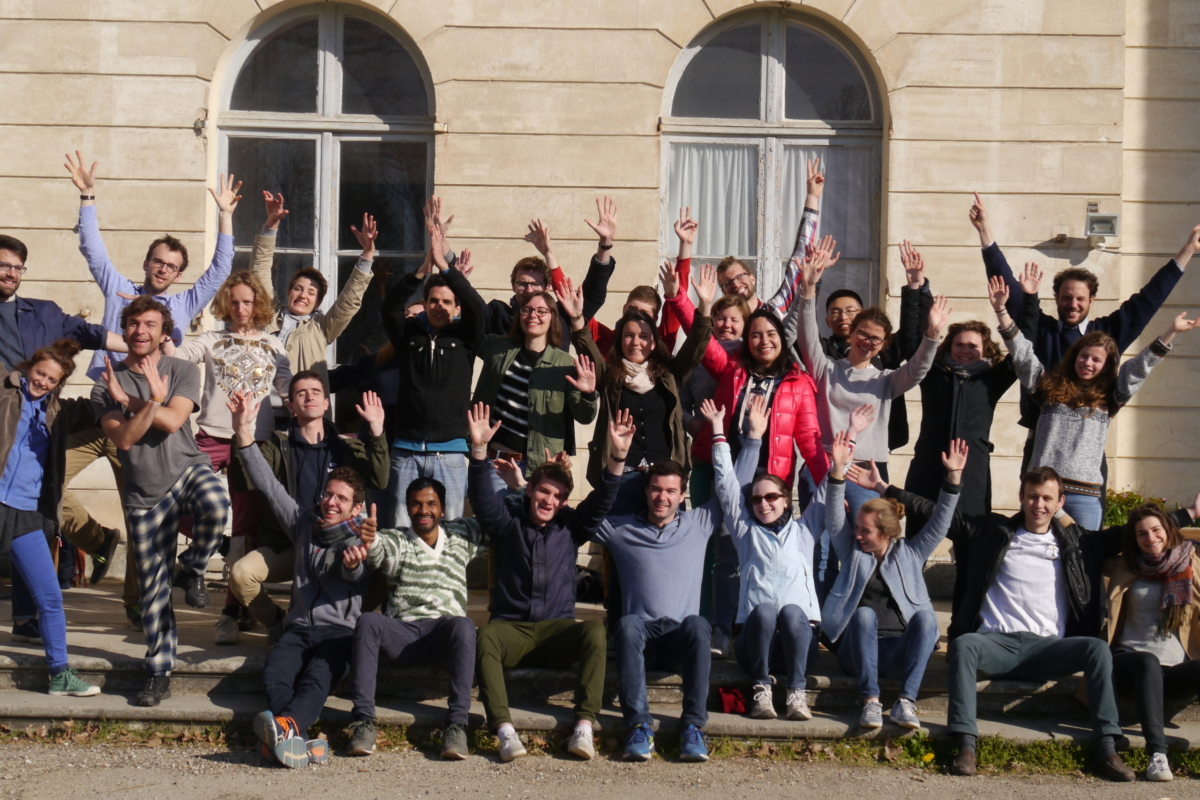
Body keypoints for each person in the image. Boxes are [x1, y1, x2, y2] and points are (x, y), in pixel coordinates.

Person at [847, 464, 1161, 781]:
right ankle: (966, 745)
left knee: (1097, 649)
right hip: (996, 645)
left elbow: (1138, 531)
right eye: (1033, 496)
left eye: (1047, 498)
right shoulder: (991, 532)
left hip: (1048, 649)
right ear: (1021, 497)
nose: (1039, 504)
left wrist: (1184, 515)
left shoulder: (1079, 543)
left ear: (1060, 502)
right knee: (964, 645)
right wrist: (885, 489)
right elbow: (938, 515)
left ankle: (1107, 748)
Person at [63, 152, 239, 630]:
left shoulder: (184, 304)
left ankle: (138, 605)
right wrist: (87, 196)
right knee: (42, 479)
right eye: (158, 261)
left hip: (146, 425)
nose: (163, 269)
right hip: (102, 410)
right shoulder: (117, 288)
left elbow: (219, 270)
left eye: (172, 266)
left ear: (178, 274)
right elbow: (93, 250)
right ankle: (96, 540)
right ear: (146, 262)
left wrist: (225, 216)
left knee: (141, 514)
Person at [971, 192, 1195, 459]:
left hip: (1088, 448)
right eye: (1066, 298)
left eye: (1080, 299)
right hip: (1041, 443)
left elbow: (1149, 299)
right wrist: (984, 230)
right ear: (1056, 299)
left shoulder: (1107, 335)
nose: (1073, 304)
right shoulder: (1040, 329)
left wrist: (1188, 251)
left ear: (1091, 300)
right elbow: (1007, 287)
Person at [467, 402, 629, 763]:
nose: (549, 500)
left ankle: (583, 726)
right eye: (544, 492)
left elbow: (601, 502)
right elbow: (482, 499)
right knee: (486, 636)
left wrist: (617, 459)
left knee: (595, 632)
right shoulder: (507, 524)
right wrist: (479, 451)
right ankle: (504, 731)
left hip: (557, 631)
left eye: (557, 496)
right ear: (529, 490)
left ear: (564, 502)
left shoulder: (571, 527)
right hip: (512, 630)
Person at [787, 240, 950, 593]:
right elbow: (806, 334)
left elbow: (918, 369)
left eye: (876, 339)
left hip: (868, 472)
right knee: (819, 549)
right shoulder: (826, 369)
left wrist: (933, 335)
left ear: (883, 343)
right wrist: (809, 287)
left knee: (869, 546)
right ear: (852, 332)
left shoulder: (887, 380)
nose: (868, 341)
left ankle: (865, 609)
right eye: (863, 333)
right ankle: (818, 613)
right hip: (823, 467)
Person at [92, 296, 229, 706]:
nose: (140, 331)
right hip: (144, 492)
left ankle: (193, 566)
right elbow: (125, 439)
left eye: (150, 324)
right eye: (134, 324)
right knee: (153, 592)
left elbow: (172, 421)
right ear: (125, 329)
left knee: (216, 505)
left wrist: (134, 401)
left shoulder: (182, 369)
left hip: (186, 468)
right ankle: (159, 672)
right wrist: (152, 400)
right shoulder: (104, 383)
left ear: (163, 332)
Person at [989, 271, 1198, 530]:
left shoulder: (1111, 395)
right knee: (1037, 549)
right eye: (1084, 356)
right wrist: (1001, 311)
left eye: (1096, 360)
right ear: (1075, 356)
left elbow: (1140, 367)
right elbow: (1022, 354)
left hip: (1084, 496)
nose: (1088, 363)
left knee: (1085, 552)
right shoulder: (1048, 387)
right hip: (1043, 491)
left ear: (1106, 365)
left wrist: (1171, 332)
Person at [231, 391, 371, 768]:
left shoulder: (362, 538)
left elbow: (355, 574)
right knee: (276, 675)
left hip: (338, 633)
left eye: (341, 499)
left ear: (356, 508)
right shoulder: (304, 524)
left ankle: (284, 731)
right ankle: (294, 737)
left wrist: (354, 565)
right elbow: (269, 485)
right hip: (297, 628)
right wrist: (242, 431)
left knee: (316, 681)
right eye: (328, 494)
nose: (331, 502)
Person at [0, 232, 125, 640]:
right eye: (4, 265)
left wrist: (142, 346)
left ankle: (26, 617)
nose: (10, 273)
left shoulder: (43, 313)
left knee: (35, 518)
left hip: (36, 431)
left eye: (17, 267)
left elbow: (89, 334)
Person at [702, 396, 847, 721]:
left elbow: (828, 491)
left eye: (771, 497)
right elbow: (727, 486)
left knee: (794, 612)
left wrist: (841, 460)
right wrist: (719, 431)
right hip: (754, 646)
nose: (763, 504)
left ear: (785, 500)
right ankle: (761, 689)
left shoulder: (804, 530)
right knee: (766, 611)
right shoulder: (745, 532)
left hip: (799, 645)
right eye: (756, 499)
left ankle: (797, 692)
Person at [169, 270, 291, 644]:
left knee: (245, 533)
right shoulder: (211, 339)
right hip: (211, 435)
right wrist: (158, 324)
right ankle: (218, 544)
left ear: (258, 304)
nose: (240, 309)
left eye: (247, 302)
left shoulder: (274, 345)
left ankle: (231, 613)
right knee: (171, 505)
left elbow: (289, 388)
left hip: (255, 442)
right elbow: (175, 356)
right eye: (234, 302)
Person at [227, 371, 389, 643]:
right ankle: (277, 622)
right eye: (301, 393)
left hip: (337, 547)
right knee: (241, 573)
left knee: (387, 567)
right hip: (289, 544)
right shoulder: (277, 446)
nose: (309, 397)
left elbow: (379, 479)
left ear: (326, 403)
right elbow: (248, 481)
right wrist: (240, 431)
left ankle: (347, 619)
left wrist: (376, 430)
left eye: (316, 392)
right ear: (291, 406)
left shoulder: (346, 447)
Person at [825, 426, 966, 730]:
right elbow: (834, 517)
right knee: (863, 615)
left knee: (926, 619)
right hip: (857, 651)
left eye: (865, 530)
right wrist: (838, 470)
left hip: (897, 651)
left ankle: (906, 702)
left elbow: (940, 522)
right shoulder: (851, 552)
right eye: (857, 528)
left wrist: (953, 478)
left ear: (886, 532)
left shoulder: (910, 553)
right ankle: (870, 701)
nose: (857, 534)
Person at [592, 457, 724, 763]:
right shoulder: (622, 529)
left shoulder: (699, 523)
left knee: (698, 624)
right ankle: (639, 726)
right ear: (646, 491)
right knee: (627, 624)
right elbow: (583, 520)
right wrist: (616, 465)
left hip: (680, 639)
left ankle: (693, 727)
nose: (662, 497)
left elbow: (731, 490)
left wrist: (751, 439)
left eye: (670, 491)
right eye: (655, 489)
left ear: (682, 495)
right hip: (643, 640)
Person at [344, 478, 485, 760]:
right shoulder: (397, 539)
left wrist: (520, 485)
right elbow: (380, 550)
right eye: (416, 504)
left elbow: (501, 514)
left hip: (443, 637)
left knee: (465, 625)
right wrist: (370, 540)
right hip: (402, 635)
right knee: (369, 621)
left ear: (442, 508)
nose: (424, 510)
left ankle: (457, 726)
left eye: (431, 504)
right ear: (407, 508)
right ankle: (363, 721)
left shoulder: (462, 534)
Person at [0, 339, 103, 697]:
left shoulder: (59, 413)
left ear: (59, 384)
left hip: (26, 512)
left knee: (50, 598)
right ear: (28, 368)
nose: (42, 381)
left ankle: (60, 673)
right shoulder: (5, 392)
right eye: (39, 373)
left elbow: (100, 407)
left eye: (51, 379)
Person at [904, 262, 1041, 520]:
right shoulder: (932, 373)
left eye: (973, 346)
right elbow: (912, 345)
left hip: (972, 473)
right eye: (959, 345)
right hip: (928, 469)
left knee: (973, 537)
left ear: (985, 350)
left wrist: (1028, 299)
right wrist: (914, 289)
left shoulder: (992, 379)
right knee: (917, 535)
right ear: (949, 346)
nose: (965, 350)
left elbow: (1024, 348)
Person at [380, 221, 486, 528]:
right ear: (424, 304)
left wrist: (447, 269)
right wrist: (421, 271)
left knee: (450, 530)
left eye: (447, 301)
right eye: (434, 300)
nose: (440, 306)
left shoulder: (466, 337)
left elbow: (478, 308)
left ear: (456, 308)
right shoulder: (409, 335)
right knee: (403, 528)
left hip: (450, 453)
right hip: (406, 451)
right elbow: (389, 308)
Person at [250, 191, 377, 409]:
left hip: (301, 415)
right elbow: (259, 270)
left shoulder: (321, 328)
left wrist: (367, 255)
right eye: (298, 289)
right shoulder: (269, 315)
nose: (302, 295)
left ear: (317, 303)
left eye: (311, 292)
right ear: (288, 292)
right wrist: (271, 224)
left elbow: (349, 301)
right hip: (259, 413)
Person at [1102, 505, 1200, 782]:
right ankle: (1157, 754)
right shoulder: (1124, 565)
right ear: (1134, 538)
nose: (1151, 537)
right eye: (1142, 533)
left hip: (1173, 672)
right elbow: (1085, 545)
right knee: (1148, 661)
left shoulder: (1189, 562)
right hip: (1130, 667)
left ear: (1168, 531)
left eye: (1156, 530)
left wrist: (1193, 511)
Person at [679, 293, 751, 656]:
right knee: (703, 541)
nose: (726, 325)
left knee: (730, 547)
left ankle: (728, 622)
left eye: (734, 319)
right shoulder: (696, 356)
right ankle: (701, 617)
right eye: (720, 318)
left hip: (741, 463)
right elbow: (679, 399)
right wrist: (694, 425)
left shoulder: (749, 359)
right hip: (705, 458)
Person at [471, 288, 598, 488]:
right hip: (498, 465)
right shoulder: (498, 348)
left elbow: (585, 417)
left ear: (552, 318)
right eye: (527, 310)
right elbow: (469, 329)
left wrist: (588, 394)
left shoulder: (564, 364)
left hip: (542, 469)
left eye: (541, 311)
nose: (533, 315)